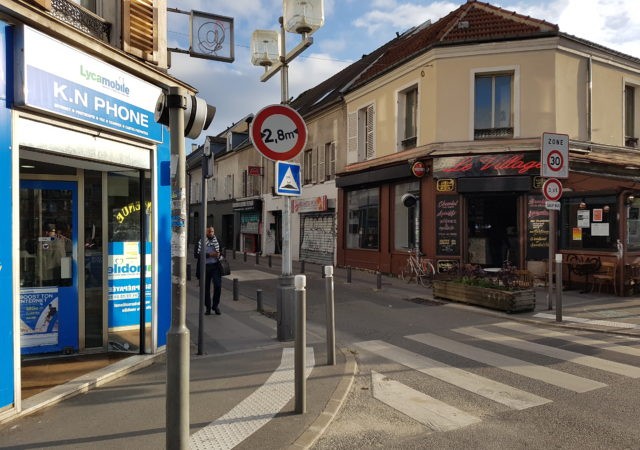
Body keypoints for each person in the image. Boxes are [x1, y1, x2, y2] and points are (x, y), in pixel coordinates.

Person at [195, 226, 223, 315]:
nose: (211, 233)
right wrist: (209, 254)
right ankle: (208, 307)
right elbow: (196, 254)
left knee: (218, 286)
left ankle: (215, 306)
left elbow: (221, 252)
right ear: (206, 232)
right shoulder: (200, 241)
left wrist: (219, 254)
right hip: (204, 267)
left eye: (212, 231)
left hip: (215, 267)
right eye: (209, 232)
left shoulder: (217, 240)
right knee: (205, 289)